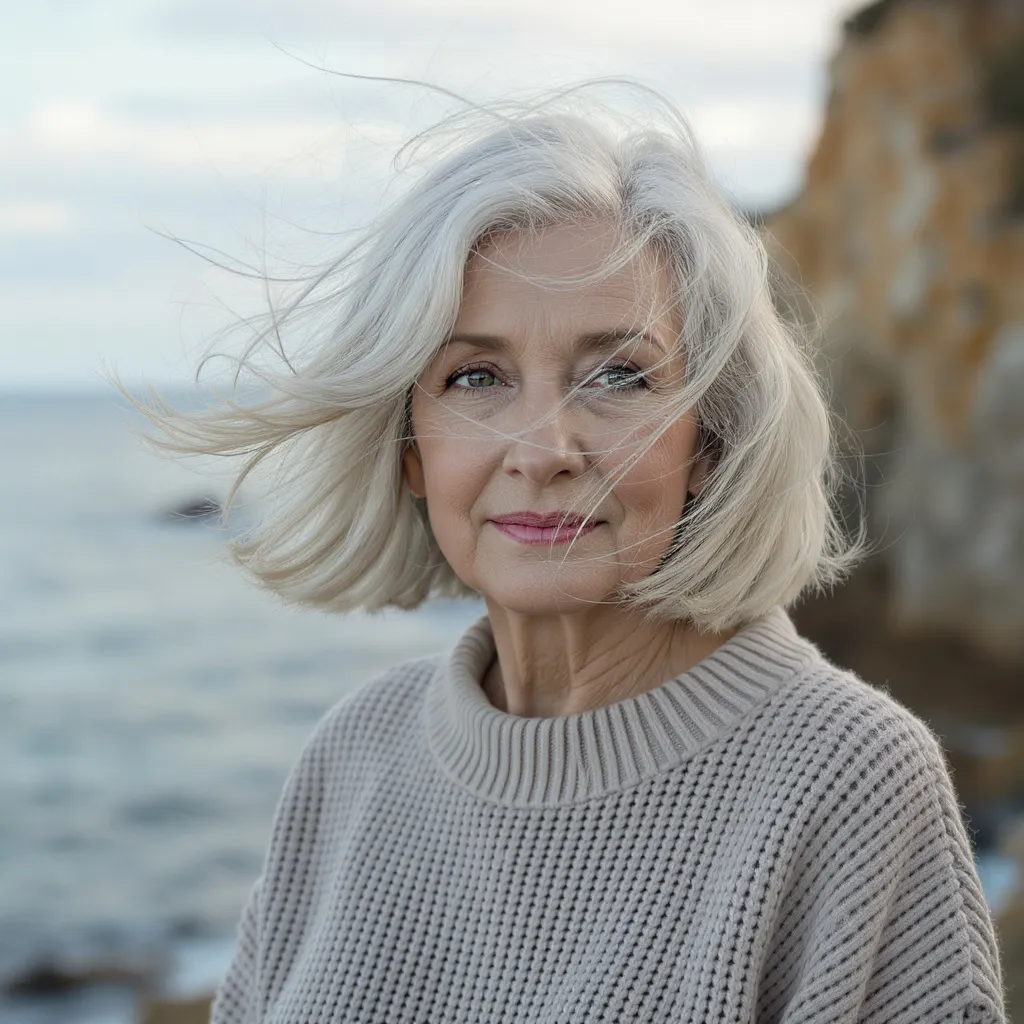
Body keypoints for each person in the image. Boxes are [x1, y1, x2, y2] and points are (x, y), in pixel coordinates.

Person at [142, 84, 1007, 1022]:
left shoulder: (850, 780)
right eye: (477, 377)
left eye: (618, 376)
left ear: (709, 443)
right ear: (409, 449)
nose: (544, 450)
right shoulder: (354, 756)